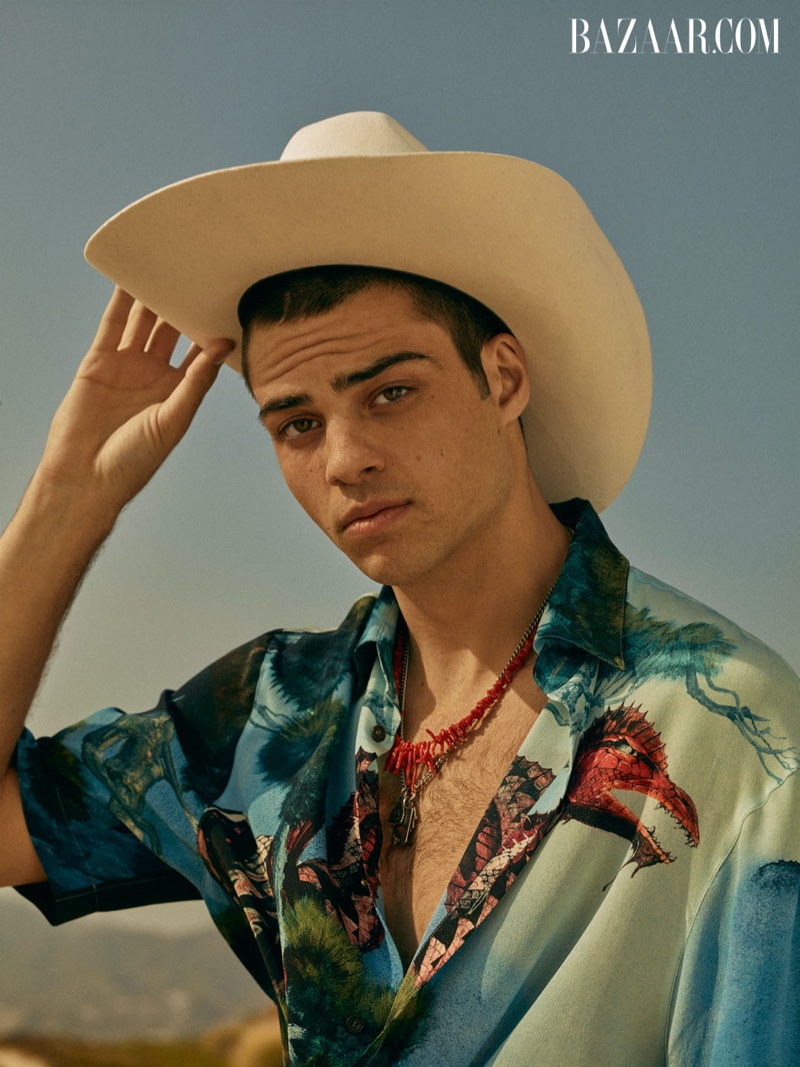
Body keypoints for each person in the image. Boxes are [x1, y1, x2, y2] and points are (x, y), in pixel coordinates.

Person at [1, 112, 798, 1066]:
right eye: (296, 423)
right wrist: (66, 500)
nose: (344, 460)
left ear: (503, 379)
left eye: (389, 393)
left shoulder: (737, 737)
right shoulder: (273, 720)